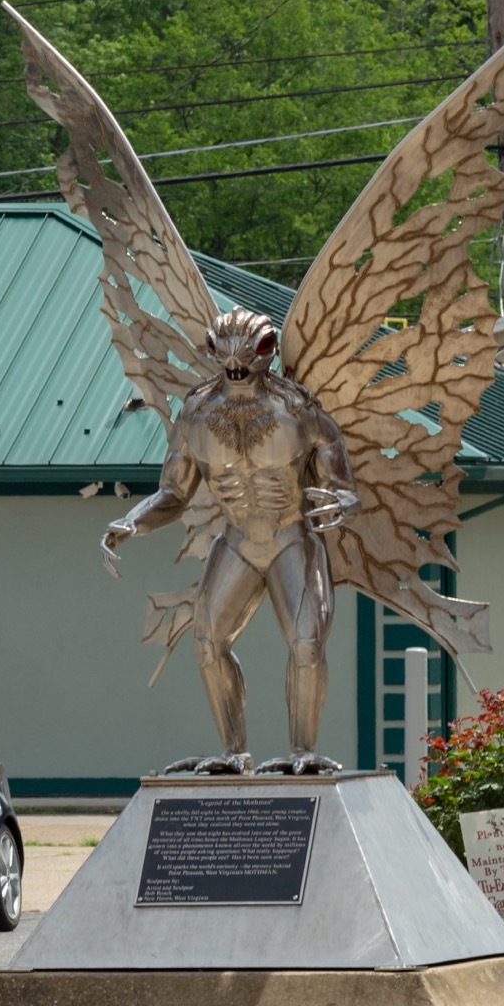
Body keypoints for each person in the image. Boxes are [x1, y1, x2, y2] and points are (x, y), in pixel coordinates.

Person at [101, 307, 359, 774]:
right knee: (207, 642)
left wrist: (341, 502)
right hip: (237, 538)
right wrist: (133, 521)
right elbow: (175, 492)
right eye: (227, 358)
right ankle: (234, 753)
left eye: (248, 355)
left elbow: (342, 484)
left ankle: (303, 752)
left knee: (306, 643)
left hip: (292, 535)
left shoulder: (299, 409)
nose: (236, 368)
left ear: (267, 352)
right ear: (213, 353)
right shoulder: (196, 413)